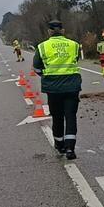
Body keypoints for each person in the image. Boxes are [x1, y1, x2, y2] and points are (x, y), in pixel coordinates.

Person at [33, 20, 82, 159]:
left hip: (53, 88)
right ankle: (70, 149)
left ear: (49, 31)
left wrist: (47, 75)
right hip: (72, 86)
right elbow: (75, 61)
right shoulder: (74, 45)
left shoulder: (42, 46)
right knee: (71, 116)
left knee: (57, 117)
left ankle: (59, 145)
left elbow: (37, 67)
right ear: (63, 30)